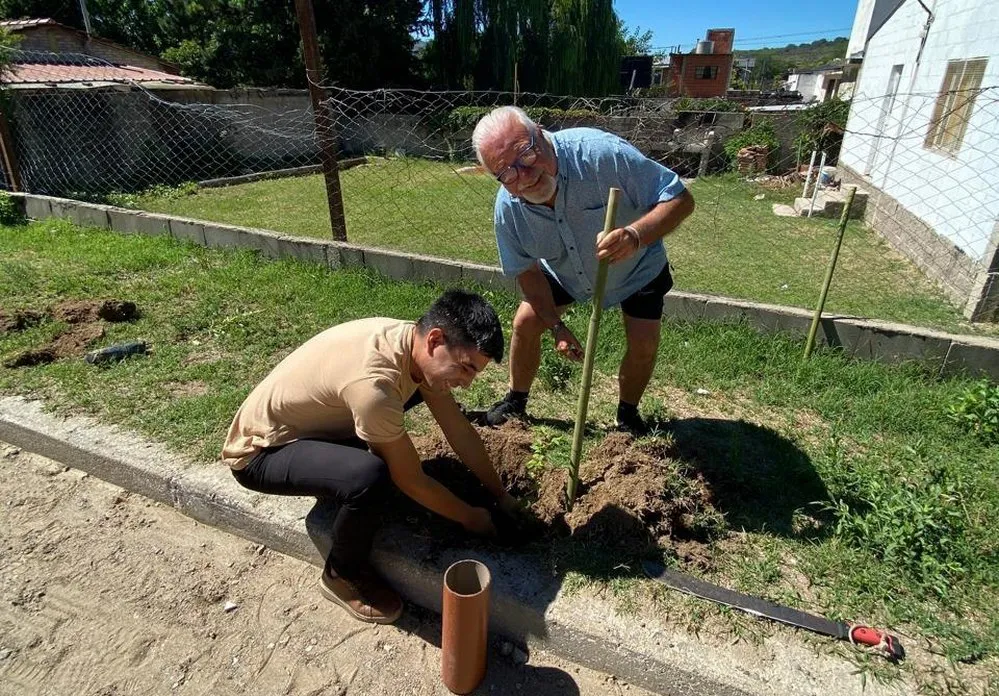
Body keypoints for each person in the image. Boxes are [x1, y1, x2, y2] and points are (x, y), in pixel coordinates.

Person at [221, 289, 518, 625]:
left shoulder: (413, 343)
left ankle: (337, 470)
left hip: (311, 425)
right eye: (465, 368)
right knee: (370, 478)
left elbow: (459, 430)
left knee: (396, 427)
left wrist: (500, 494)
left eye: (473, 374)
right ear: (435, 339)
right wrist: (470, 517)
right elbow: (409, 478)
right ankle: (341, 574)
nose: (466, 383)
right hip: (262, 452)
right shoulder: (375, 386)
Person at [471, 106, 695, 434]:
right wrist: (556, 327)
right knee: (526, 322)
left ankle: (627, 415)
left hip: (637, 266)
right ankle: (516, 400)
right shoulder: (508, 211)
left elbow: (679, 198)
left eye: (527, 154)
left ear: (542, 133)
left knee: (644, 343)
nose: (524, 174)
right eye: (506, 172)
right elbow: (529, 274)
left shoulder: (601, 155)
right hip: (564, 271)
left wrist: (635, 236)